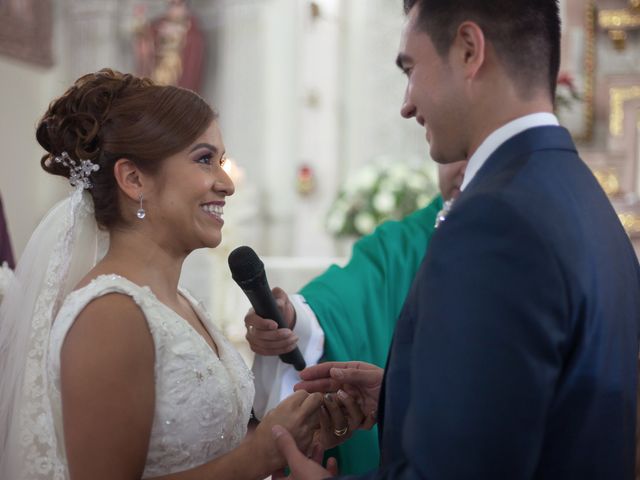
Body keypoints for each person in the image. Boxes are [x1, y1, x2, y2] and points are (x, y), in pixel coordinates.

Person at [270, 0, 640, 478]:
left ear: (469, 50)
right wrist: (403, 394)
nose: (406, 104)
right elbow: (543, 404)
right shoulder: (583, 196)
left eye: (411, 68)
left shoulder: (494, 218)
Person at [0, 69, 358, 480]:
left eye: (220, 162)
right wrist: (257, 456)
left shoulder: (182, 303)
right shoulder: (109, 315)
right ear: (134, 179)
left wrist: (290, 438)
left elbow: (208, 451)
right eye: (205, 159)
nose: (226, 184)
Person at [248, 159, 467, 474]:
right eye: (452, 156)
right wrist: (293, 317)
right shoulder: (406, 241)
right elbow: (351, 289)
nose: (461, 169)